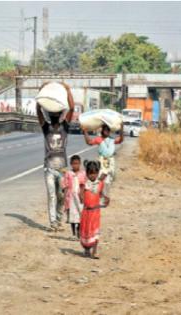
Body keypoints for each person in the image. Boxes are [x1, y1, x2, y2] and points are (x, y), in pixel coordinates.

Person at [36, 82, 75, 231]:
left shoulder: (65, 127)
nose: (53, 116)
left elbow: (72, 107)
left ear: (59, 114)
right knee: (52, 195)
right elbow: (38, 110)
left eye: (55, 114)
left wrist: (68, 89)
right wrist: (41, 93)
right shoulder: (46, 128)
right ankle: (52, 222)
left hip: (62, 168)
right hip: (49, 168)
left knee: (60, 196)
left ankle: (58, 219)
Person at [79, 160, 109, 259]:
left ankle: (95, 251)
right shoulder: (85, 184)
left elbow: (100, 194)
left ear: (97, 173)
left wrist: (106, 198)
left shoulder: (100, 184)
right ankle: (87, 250)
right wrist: (82, 196)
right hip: (86, 212)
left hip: (95, 212)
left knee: (95, 232)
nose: (93, 176)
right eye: (90, 174)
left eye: (95, 173)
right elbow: (81, 195)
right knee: (87, 231)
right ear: (87, 174)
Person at [82, 123, 123, 193]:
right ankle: (95, 193)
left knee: (108, 180)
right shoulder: (99, 139)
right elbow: (89, 142)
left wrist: (122, 129)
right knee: (101, 177)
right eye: (105, 130)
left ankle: (103, 195)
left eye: (108, 130)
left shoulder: (112, 140)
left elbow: (120, 140)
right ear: (102, 130)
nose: (106, 131)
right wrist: (85, 131)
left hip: (111, 161)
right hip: (102, 161)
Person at [62, 155, 86, 239]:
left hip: (79, 198)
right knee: (72, 217)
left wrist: (83, 196)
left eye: (77, 164)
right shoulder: (68, 173)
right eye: (74, 164)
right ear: (71, 164)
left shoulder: (83, 173)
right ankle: (73, 233)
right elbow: (65, 185)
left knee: (80, 216)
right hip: (70, 198)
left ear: (80, 164)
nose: (75, 165)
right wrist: (65, 198)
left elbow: (84, 185)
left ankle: (79, 232)